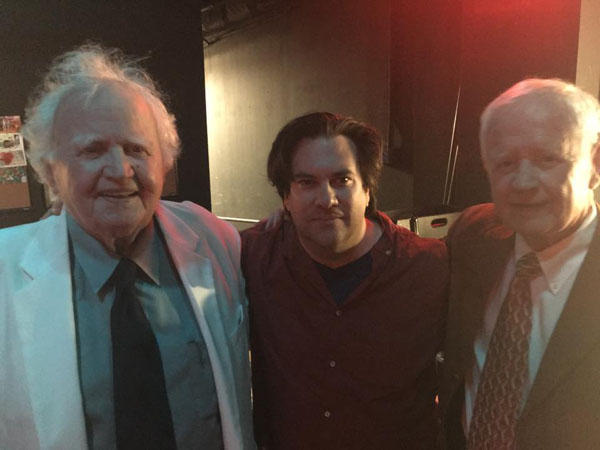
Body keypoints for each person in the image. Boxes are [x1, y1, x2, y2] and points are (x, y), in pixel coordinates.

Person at [0, 44, 255, 450]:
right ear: (49, 169)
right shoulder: (5, 271)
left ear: (165, 162)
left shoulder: (213, 238)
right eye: (91, 150)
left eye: (137, 149)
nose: (120, 171)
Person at [241, 112, 448, 450]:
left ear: (368, 189)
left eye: (342, 180)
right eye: (306, 182)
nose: (327, 199)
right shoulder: (253, 258)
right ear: (286, 199)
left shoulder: (429, 266)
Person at [440, 78, 600, 450]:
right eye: (506, 162)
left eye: (548, 158)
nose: (523, 182)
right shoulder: (473, 234)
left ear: (594, 164)